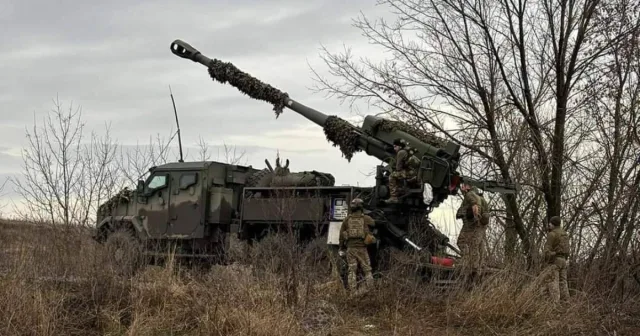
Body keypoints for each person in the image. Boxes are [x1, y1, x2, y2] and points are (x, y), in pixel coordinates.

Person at [339, 198, 376, 292]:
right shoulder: (366, 218)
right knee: (367, 271)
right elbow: (374, 223)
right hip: (362, 249)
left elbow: (341, 236)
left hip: (350, 249)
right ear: (361, 207)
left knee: (352, 271)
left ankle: (353, 292)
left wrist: (341, 248)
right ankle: (371, 291)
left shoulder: (347, 220)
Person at [455, 183, 487, 287]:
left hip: (472, 224)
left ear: (468, 187)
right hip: (481, 225)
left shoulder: (470, 195)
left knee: (462, 242)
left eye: (463, 186)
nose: (461, 188)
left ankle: (471, 266)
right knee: (478, 245)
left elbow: (474, 204)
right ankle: (478, 267)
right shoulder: (481, 197)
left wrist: (475, 215)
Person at [540, 216, 570, 303]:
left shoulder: (552, 234)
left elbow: (547, 251)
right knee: (563, 283)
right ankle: (566, 303)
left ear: (552, 224)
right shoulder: (565, 234)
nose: (549, 225)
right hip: (563, 261)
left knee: (553, 283)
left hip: (555, 261)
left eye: (550, 223)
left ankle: (555, 305)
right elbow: (567, 250)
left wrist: (547, 258)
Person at [387, 138, 409, 203]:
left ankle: (393, 197)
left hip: (408, 172)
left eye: (395, 146)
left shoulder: (401, 152)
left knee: (391, 176)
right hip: (412, 171)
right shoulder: (407, 150)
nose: (394, 148)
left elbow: (398, 168)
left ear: (400, 146)